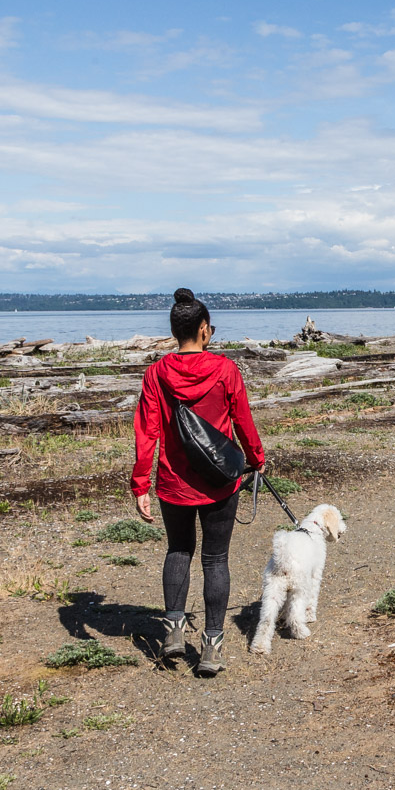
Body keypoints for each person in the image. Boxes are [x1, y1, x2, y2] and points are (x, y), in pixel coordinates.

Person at [131, 288, 265, 676]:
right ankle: (211, 650)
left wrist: (141, 484)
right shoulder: (225, 370)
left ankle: (173, 633)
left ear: (176, 331)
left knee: (178, 550)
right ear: (204, 330)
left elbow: (147, 432)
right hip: (220, 482)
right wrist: (256, 459)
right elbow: (243, 422)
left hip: (173, 481)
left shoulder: (156, 373)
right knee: (215, 559)